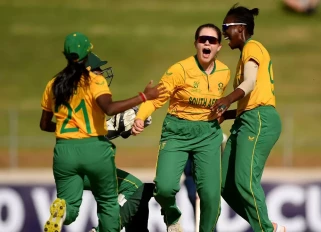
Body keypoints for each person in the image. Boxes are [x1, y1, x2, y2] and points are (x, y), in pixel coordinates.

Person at [40, 32, 165, 232]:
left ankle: (62, 213)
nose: (101, 72)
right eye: (97, 68)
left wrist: (74, 128)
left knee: (69, 205)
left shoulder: (53, 84)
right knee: (109, 202)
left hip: (64, 152)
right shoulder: (94, 81)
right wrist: (144, 96)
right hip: (94, 152)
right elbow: (109, 108)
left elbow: (45, 124)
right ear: (87, 57)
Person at [132, 23, 231, 232]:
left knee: (211, 197)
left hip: (207, 133)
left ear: (219, 47)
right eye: (202, 39)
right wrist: (141, 116)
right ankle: (172, 215)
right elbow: (156, 98)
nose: (206, 43)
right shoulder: (179, 70)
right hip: (177, 131)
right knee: (164, 189)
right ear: (196, 43)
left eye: (212, 40)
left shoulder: (224, 72)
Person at [211, 4, 286, 232]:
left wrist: (226, 100)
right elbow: (249, 99)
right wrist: (229, 114)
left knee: (245, 181)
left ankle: (265, 230)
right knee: (224, 185)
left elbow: (250, 84)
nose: (224, 33)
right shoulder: (244, 55)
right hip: (246, 120)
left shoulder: (252, 47)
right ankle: (266, 227)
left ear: (241, 29)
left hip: (260, 120)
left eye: (227, 27)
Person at [81, 52, 155, 232]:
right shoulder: (88, 99)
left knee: (141, 193)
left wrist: (125, 126)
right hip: (83, 165)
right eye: (98, 70)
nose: (102, 74)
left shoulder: (76, 96)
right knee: (136, 189)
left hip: (75, 163)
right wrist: (139, 102)